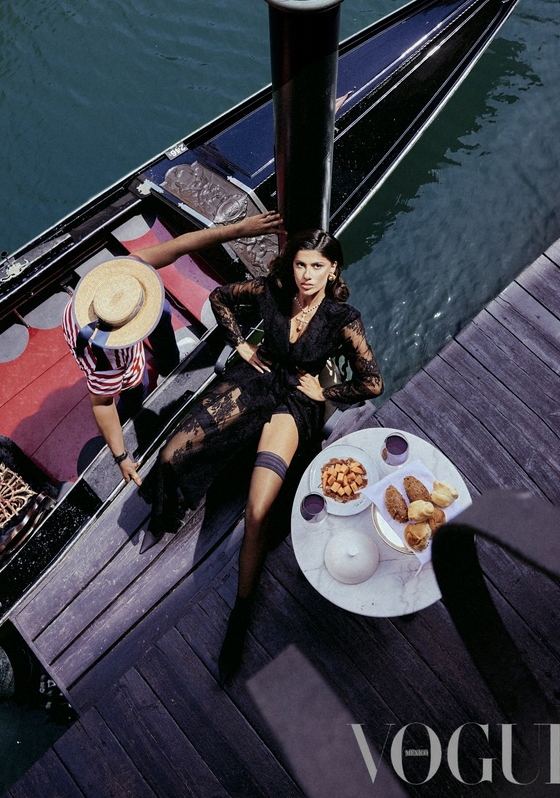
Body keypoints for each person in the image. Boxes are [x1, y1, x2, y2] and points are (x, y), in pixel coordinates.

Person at [140, 228, 383, 682]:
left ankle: (241, 612)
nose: (307, 275)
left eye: (317, 266)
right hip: (258, 376)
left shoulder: (342, 318)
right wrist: (241, 344)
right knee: (172, 454)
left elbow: (372, 382)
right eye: (301, 264)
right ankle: (165, 512)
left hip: (296, 403)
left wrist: (327, 392)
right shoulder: (271, 290)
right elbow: (219, 298)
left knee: (257, 511)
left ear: (333, 271)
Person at [62, 210, 284, 486]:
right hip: (112, 363)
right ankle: (132, 409)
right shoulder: (108, 360)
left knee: (163, 313)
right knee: (137, 387)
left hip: (110, 327)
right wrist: (121, 457)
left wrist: (239, 229)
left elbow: (179, 246)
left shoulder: (119, 280)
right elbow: (101, 403)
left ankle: (169, 363)